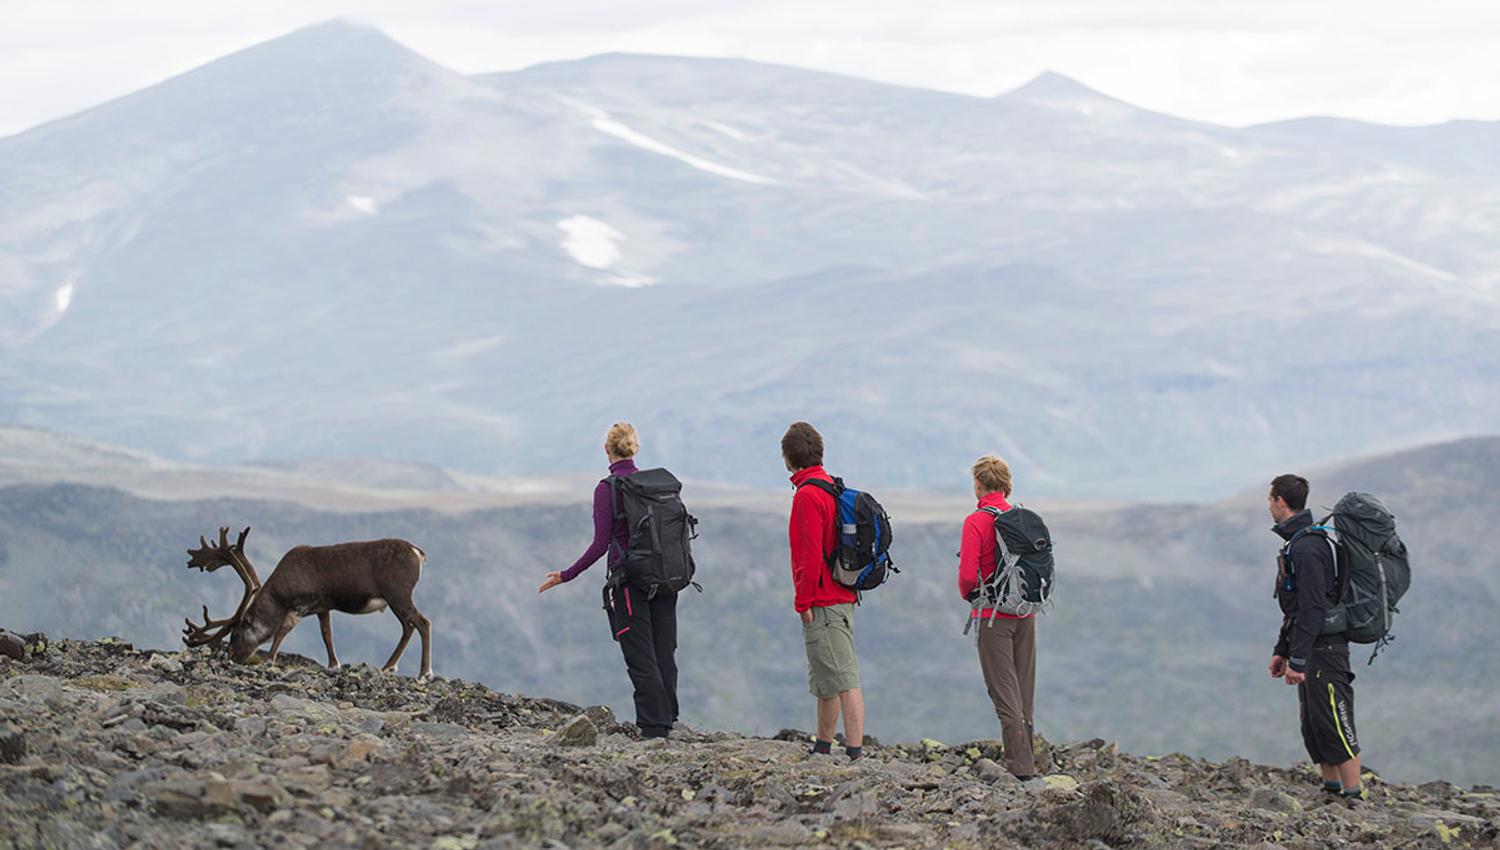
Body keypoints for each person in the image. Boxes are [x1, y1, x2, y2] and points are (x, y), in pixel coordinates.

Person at [538, 422, 678, 740]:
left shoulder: (608, 488)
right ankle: (666, 720)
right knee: (664, 652)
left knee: (640, 654)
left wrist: (566, 574)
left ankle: (653, 730)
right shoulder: (654, 485)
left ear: (607, 449)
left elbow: (601, 543)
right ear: (635, 448)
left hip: (630, 582)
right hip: (666, 579)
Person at [1266, 473, 1364, 805]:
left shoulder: (1308, 547)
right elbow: (1295, 608)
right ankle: (1332, 793)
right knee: (1315, 723)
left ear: (1281, 501)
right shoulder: (1299, 542)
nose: (1268, 506)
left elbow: (1312, 607)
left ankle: (1355, 799)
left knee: (1336, 718)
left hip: (1325, 647)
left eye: (1270, 500)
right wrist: (1283, 650)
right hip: (1310, 646)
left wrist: (1298, 659)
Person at [782, 421, 865, 760]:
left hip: (823, 600)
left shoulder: (808, 496)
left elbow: (808, 556)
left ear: (788, 457)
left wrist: (803, 601)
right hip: (842, 596)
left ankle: (856, 752)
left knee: (844, 677)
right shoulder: (831, 487)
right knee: (826, 675)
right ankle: (823, 745)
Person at [957, 454, 1037, 780]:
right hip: (1025, 612)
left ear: (977, 485)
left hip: (993, 617)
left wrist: (970, 597)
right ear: (1007, 485)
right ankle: (1027, 760)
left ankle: (1020, 770)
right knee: (1023, 690)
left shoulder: (975, 522)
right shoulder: (1022, 519)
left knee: (1004, 693)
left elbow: (966, 576)